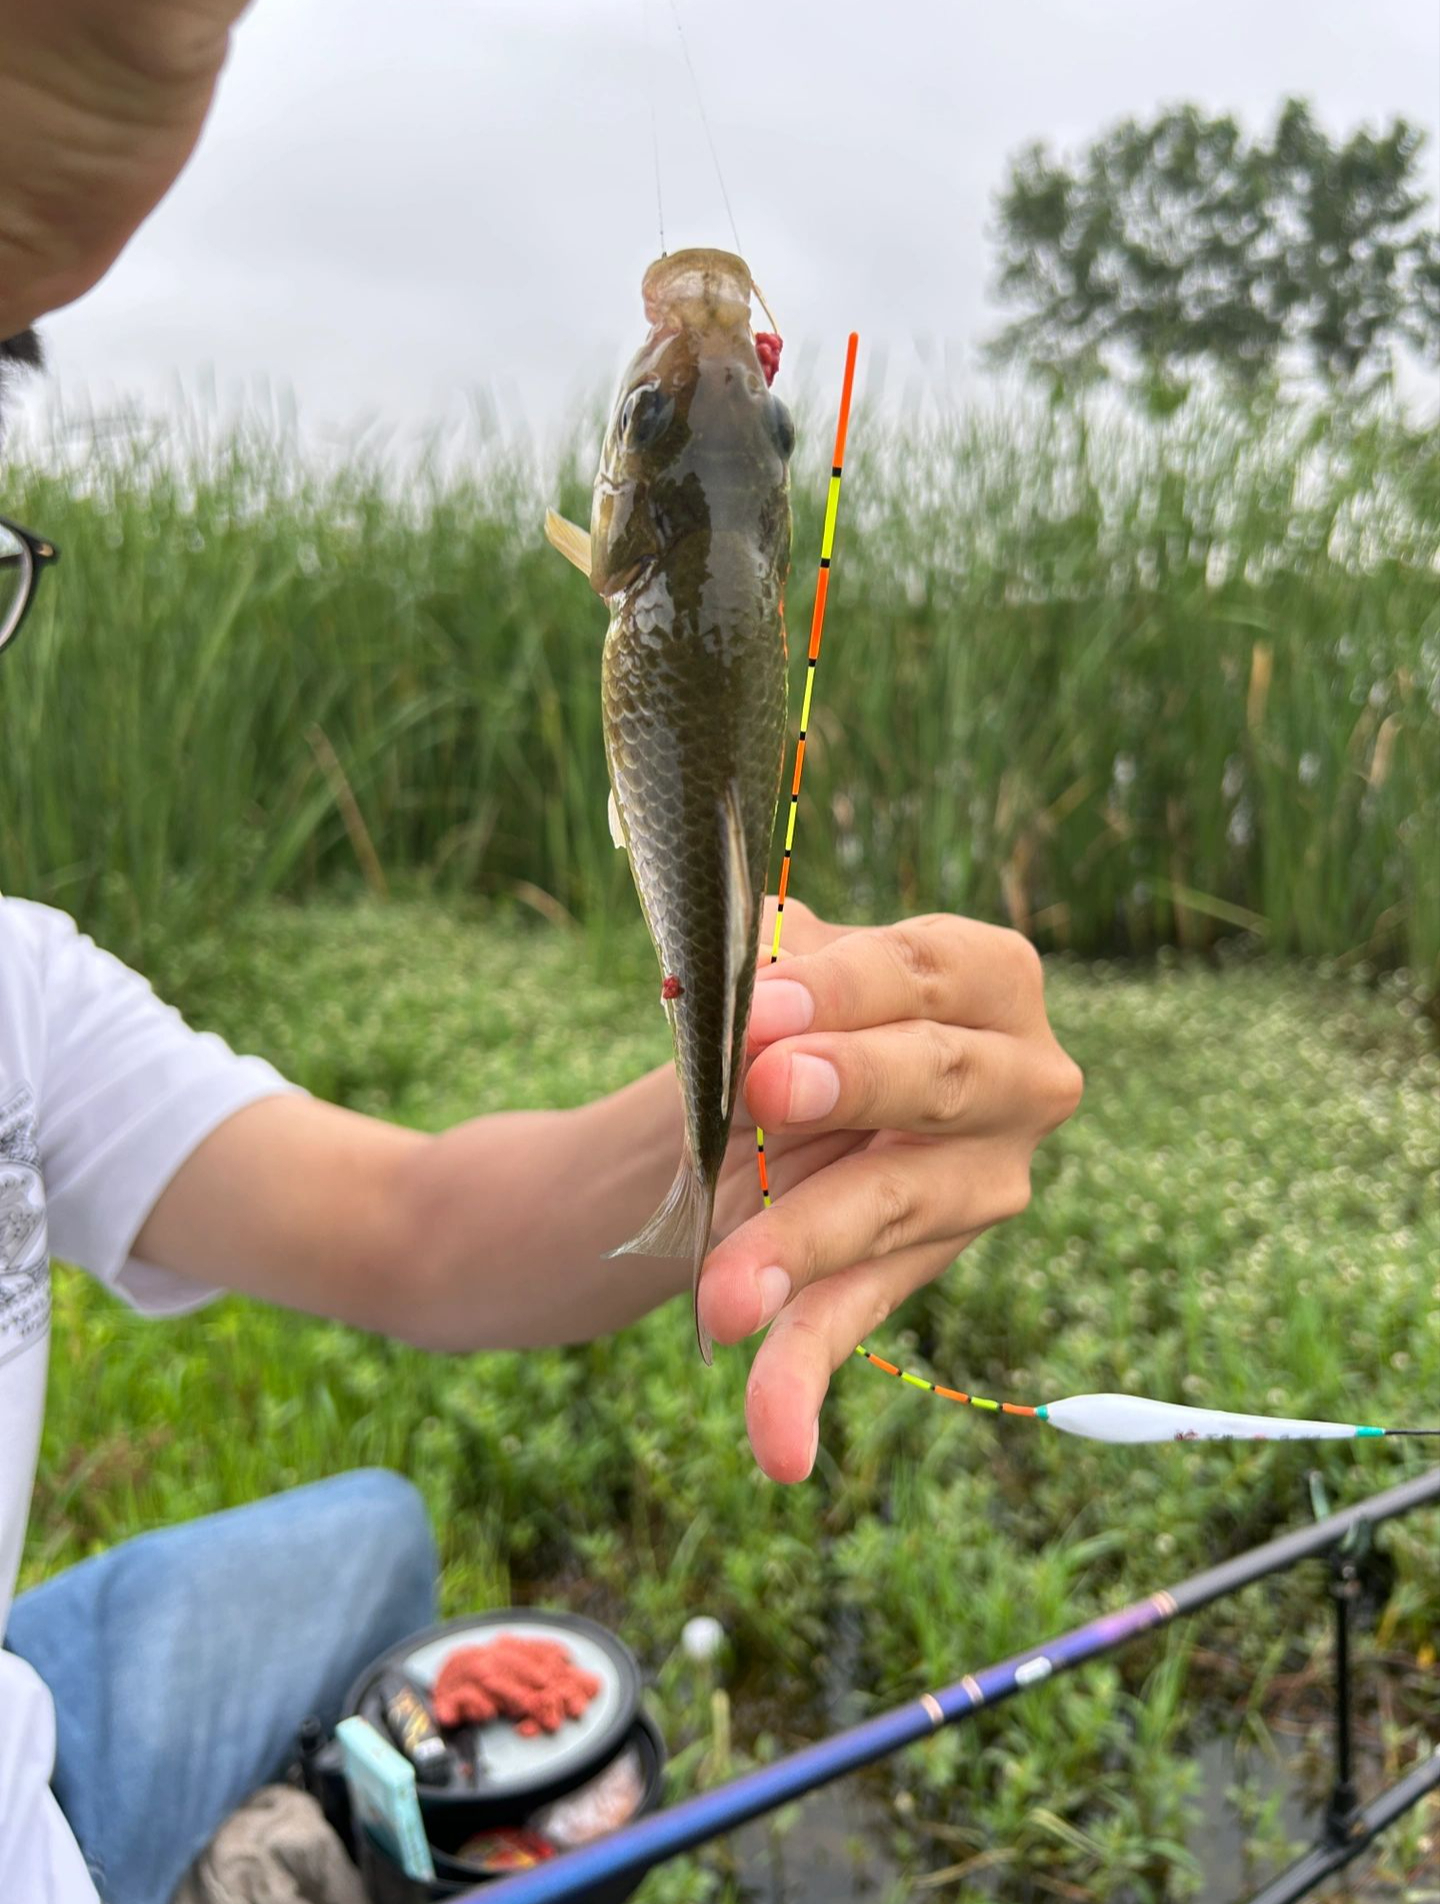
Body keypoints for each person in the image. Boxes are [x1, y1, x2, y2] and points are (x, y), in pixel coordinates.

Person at [0, 4, 1084, 1900]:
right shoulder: (655, 561)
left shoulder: (24, 992)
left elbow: (410, 1224)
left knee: (376, 1528)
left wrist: (758, 1123)